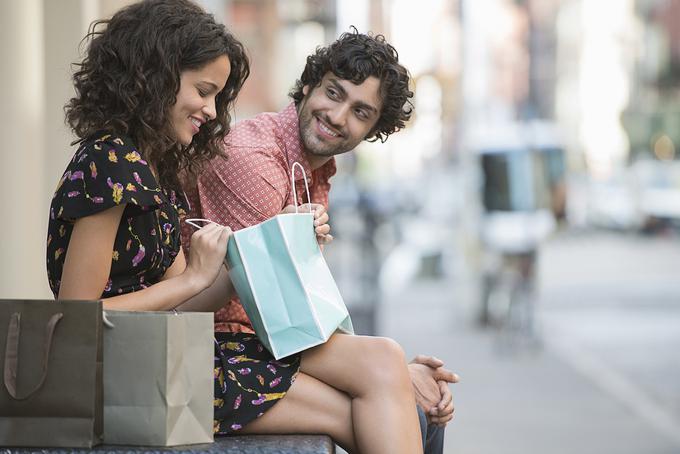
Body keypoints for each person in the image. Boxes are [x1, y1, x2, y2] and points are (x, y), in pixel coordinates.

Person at [46, 2, 424, 453]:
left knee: (375, 395)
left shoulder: (153, 170)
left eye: (216, 95)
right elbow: (76, 321)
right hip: (125, 376)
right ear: (156, 77)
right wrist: (199, 274)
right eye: (203, 91)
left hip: (165, 356)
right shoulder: (109, 162)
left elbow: (183, 308)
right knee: (375, 389)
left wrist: (235, 260)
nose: (210, 109)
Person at [181, 29, 458, 453]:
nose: (337, 115)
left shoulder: (312, 169)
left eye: (360, 112)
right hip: (218, 346)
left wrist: (394, 375)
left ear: (373, 129)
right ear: (309, 85)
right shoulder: (253, 159)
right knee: (400, 392)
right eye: (333, 92)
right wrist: (399, 375)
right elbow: (277, 308)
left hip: (258, 346)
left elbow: (299, 305)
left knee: (408, 401)